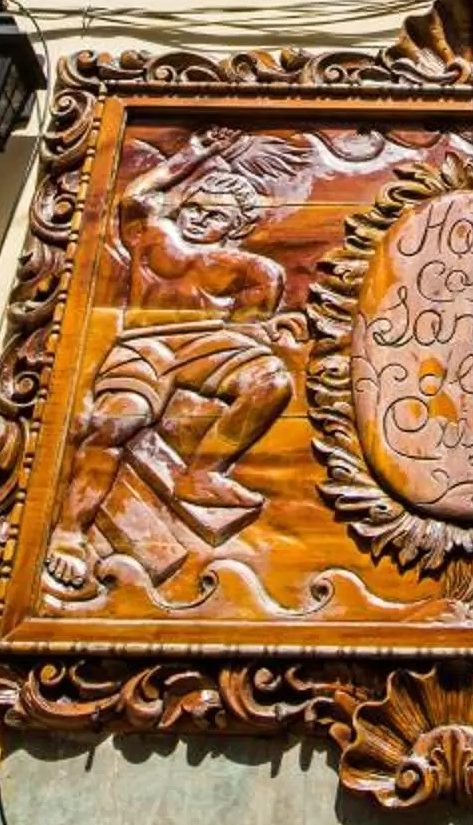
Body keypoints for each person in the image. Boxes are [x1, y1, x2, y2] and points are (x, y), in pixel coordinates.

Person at [44, 130, 303, 595]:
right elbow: (135, 195)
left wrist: (259, 336)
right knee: (115, 423)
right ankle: (68, 533)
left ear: (235, 227)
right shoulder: (154, 236)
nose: (201, 219)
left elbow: (249, 321)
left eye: (216, 216)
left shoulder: (252, 268)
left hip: (206, 342)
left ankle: (202, 473)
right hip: (142, 344)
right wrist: (196, 151)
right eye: (196, 208)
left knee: (272, 381)